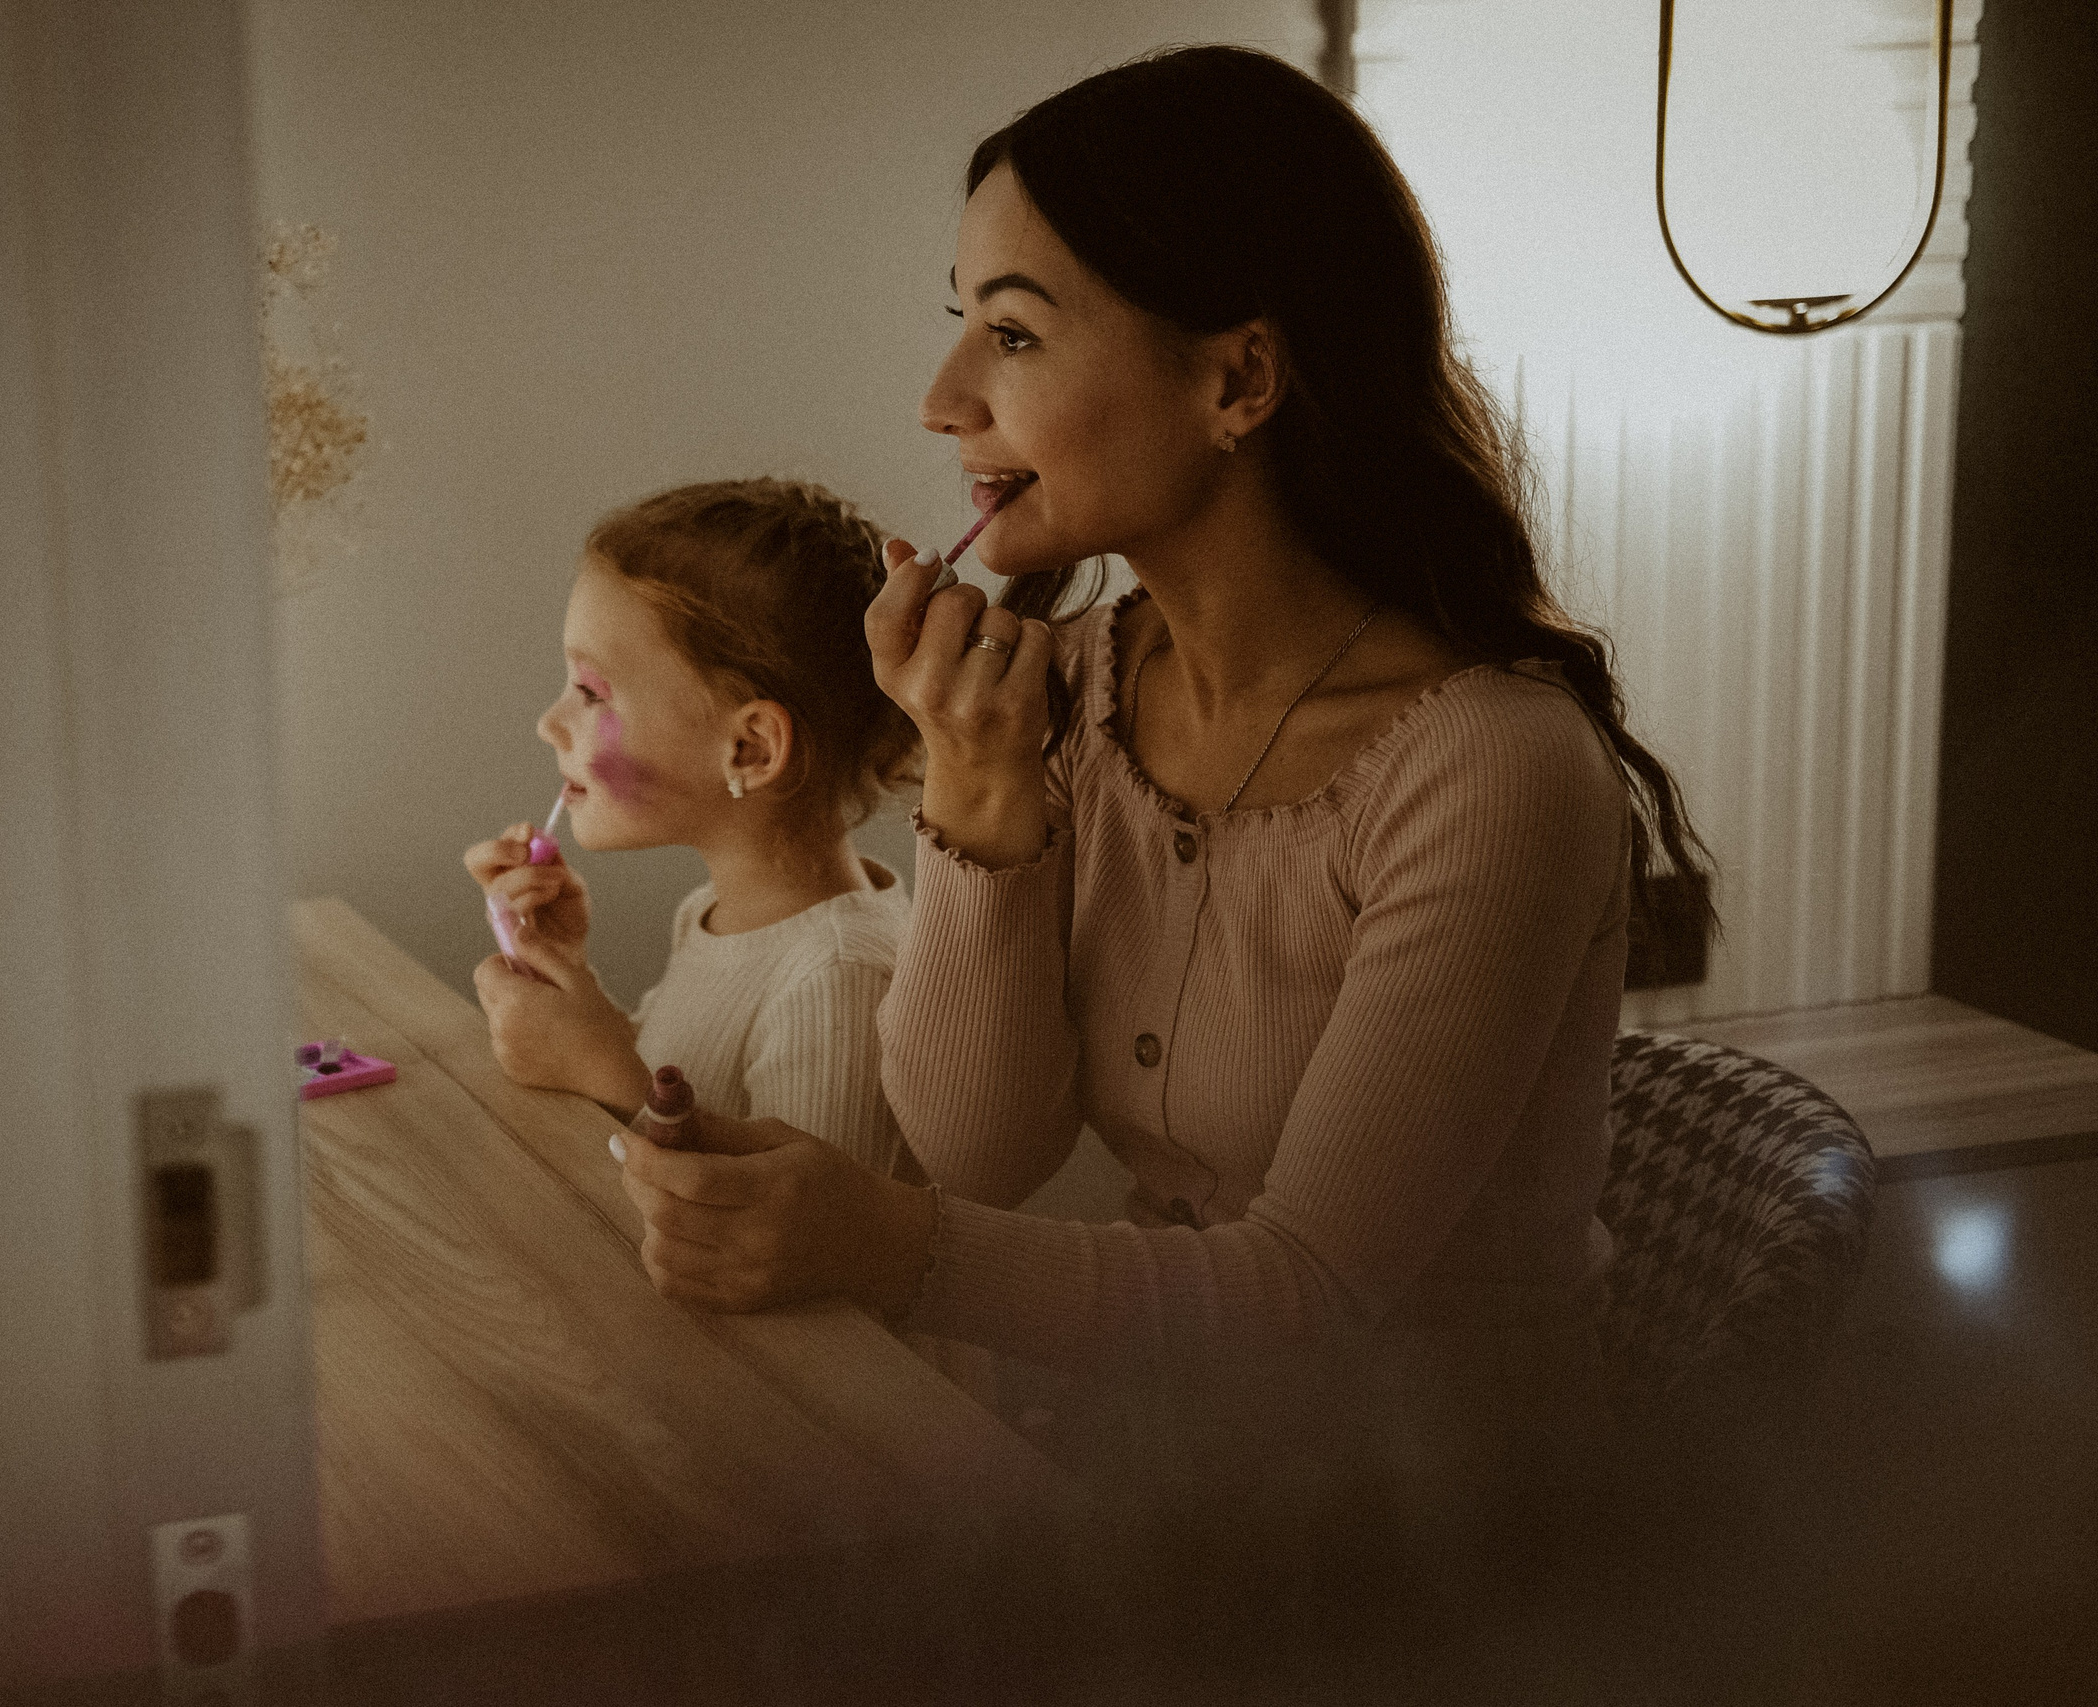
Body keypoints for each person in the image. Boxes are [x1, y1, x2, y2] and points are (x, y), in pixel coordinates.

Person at [605, 46, 1713, 1567]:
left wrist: (881, 1235)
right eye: (962, 329)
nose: (941, 402)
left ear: (1238, 378)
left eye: (1011, 334)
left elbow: (1303, 1292)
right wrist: (983, 797)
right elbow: (982, 1143)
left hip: (1442, 1556)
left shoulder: (1491, 767)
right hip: (1153, 1492)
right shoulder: (1062, 694)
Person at [466, 477, 923, 1180]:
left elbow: (804, 1239)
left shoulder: (838, 977)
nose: (549, 722)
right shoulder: (712, 916)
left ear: (749, 749)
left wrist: (599, 1065)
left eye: (590, 693)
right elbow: (687, 1083)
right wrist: (568, 980)